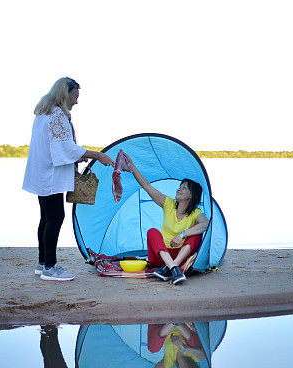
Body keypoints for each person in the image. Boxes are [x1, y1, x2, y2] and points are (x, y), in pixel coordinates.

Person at [23, 77, 114, 281]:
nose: (76, 101)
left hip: (42, 173)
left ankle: (42, 262)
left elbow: (55, 147)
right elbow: (66, 148)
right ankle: (50, 267)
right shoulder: (57, 115)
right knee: (55, 218)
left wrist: (79, 156)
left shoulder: (44, 113)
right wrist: (97, 155)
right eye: (75, 96)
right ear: (66, 94)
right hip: (49, 176)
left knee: (46, 218)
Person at [122, 153, 210, 285]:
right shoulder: (168, 204)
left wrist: (182, 234)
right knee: (152, 231)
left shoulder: (196, 213)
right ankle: (174, 269)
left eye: (184, 188)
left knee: (197, 234)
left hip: (180, 255)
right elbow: (147, 186)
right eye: (180, 186)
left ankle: (170, 267)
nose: (179, 189)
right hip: (160, 257)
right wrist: (132, 167)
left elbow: (206, 224)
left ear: (192, 195)